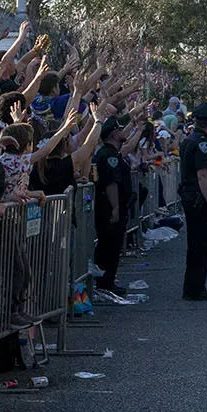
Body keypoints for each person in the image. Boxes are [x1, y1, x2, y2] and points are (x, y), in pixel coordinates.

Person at [178, 101, 207, 301]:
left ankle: (193, 286)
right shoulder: (202, 143)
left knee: (195, 244)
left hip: (190, 197)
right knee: (201, 244)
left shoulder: (189, 140)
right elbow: (203, 175)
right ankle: (195, 288)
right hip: (198, 200)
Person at [91, 119, 136, 304]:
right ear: (112, 134)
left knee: (113, 246)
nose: (122, 131)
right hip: (109, 208)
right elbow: (111, 183)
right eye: (119, 129)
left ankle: (108, 280)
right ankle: (105, 282)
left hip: (115, 207)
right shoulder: (108, 155)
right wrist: (116, 207)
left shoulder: (113, 154)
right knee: (109, 246)